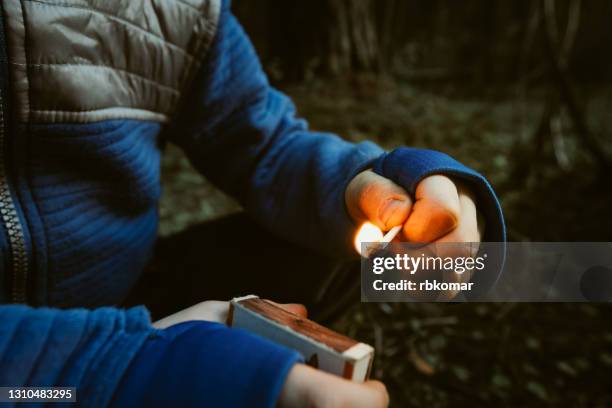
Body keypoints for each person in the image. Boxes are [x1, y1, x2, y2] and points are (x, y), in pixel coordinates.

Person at [0, 0, 504, 406]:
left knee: (338, 252)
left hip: (127, 300)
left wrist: (374, 182)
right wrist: (128, 370)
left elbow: (261, 141)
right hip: (28, 380)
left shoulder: (183, 9)